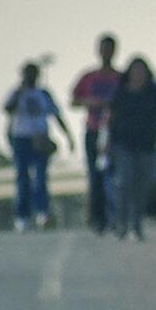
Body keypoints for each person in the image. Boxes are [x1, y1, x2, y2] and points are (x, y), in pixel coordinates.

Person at [2, 62, 75, 231]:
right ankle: (22, 216)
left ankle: (42, 212)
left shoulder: (44, 94)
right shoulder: (17, 93)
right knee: (22, 178)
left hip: (40, 139)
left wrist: (68, 137)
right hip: (21, 138)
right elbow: (7, 109)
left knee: (41, 177)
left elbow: (56, 115)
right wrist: (19, 92)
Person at [106, 56, 156, 240]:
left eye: (141, 71)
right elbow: (111, 117)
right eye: (135, 70)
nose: (138, 74)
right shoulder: (121, 93)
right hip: (123, 144)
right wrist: (106, 142)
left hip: (146, 145)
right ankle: (121, 223)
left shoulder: (153, 93)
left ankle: (136, 224)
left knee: (142, 186)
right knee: (124, 183)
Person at [69, 34, 119, 234]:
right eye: (104, 48)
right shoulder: (88, 77)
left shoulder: (119, 78)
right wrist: (90, 102)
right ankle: (97, 218)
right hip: (93, 129)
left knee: (114, 176)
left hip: (115, 132)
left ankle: (114, 216)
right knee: (94, 175)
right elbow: (73, 100)